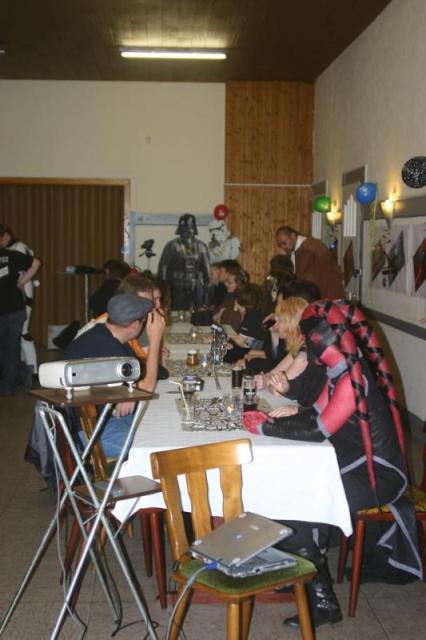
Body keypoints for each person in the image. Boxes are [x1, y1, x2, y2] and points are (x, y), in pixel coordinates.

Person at [243, 300, 422, 628]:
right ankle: (298, 569)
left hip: (379, 476)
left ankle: (323, 601)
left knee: (300, 502)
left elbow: (319, 429)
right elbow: (315, 415)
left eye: (309, 340)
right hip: (356, 465)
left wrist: (265, 428)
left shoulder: (353, 381)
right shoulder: (339, 372)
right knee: (289, 488)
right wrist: (271, 421)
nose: (306, 346)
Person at [63, 293, 157, 456]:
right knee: (150, 450)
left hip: (103, 418)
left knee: (156, 423)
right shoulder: (108, 346)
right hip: (86, 432)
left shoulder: (105, 334)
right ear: (135, 325)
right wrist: (155, 339)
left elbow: (139, 377)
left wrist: (130, 390)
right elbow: (146, 390)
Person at [0, 226, 41, 396]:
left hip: (16, 305)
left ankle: (24, 374)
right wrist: (21, 283)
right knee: (13, 345)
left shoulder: (17, 249)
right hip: (17, 305)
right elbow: (34, 264)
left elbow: (33, 265)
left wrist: (22, 283)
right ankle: (23, 373)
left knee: (16, 342)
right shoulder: (14, 252)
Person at [157, 214, 210, 310]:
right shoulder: (172, 246)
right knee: (177, 312)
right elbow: (163, 268)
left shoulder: (201, 247)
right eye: (185, 229)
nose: (188, 232)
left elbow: (207, 270)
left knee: (197, 313)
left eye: (190, 228)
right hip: (176, 285)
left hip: (196, 285)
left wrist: (207, 286)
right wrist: (164, 289)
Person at [275, 225, 344, 299]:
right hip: (322, 295)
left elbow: (329, 263)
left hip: (326, 295)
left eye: (284, 243)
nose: (283, 247)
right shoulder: (297, 250)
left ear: (293, 236)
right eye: (280, 245)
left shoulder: (309, 248)